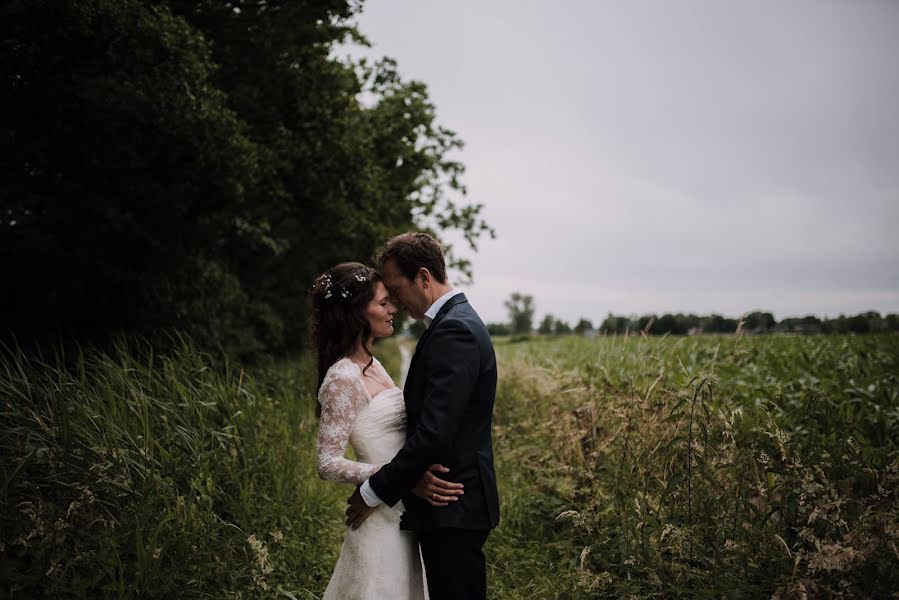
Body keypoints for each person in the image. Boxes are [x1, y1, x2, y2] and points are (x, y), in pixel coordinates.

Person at [346, 233, 500, 600]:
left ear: (424, 278)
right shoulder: (452, 322)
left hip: (452, 503)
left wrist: (372, 492)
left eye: (396, 288)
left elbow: (434, 432)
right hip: (449, 503)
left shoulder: (455, 330)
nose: (394, 301)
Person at [311, 261, 461, 599]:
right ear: (355, 313)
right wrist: (397, 478)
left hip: (403, 510)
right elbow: (327, 462)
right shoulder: (342, 378)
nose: (392, 308)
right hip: (380, 518)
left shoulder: (375, 365)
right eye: (382, 303)